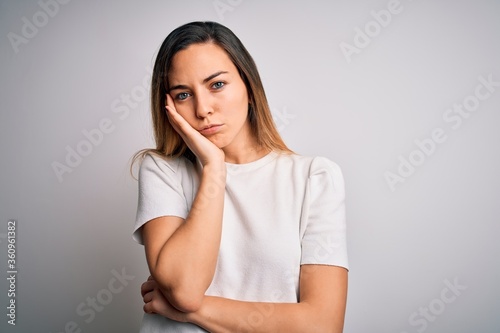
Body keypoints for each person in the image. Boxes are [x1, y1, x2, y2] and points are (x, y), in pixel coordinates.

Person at [132, 21, 348, 332]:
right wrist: (215, 168)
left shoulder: (315, 177)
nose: (203, 108)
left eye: (216, 85)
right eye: (183, 95)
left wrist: (193, 311)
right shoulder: (162, 170)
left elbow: (322, 325)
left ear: (249, 87)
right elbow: (185, 289)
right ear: (169, 107)